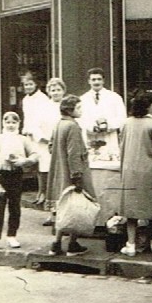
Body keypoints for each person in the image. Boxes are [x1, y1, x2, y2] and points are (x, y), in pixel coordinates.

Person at [118, 90, 152, 257]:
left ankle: (131, 244)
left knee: (131, 210)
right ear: (147, 106)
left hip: (129, 170)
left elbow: (122, 144)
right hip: (149, 171)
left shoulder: (126, 123)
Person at [0, 111, 39, 256]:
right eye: (8, 122)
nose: (11, 125)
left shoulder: (23, 139)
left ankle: (12, 236)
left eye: (14, 122)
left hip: (15, 176)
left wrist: (24, 161)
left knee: (15, 207)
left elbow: (35, 154)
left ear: (19, 124)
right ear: (3, 123)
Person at [46, 95, 94, 257]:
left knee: (63, 208)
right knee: (76, 207)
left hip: (60, 172)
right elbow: (73, 153)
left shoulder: (59, 124)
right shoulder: (73, 126)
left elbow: (51, 146)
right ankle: (72, 244)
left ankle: (56, 243)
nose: (81, 110)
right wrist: (77, 175)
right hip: (72, 172)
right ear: (70, 110)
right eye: (78, 108)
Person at [78, 67, 127, 159]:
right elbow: (80, 119)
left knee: (109, 164)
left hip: (109, 137)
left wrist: (107, 126)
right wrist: (92, 127)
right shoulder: (82, 99)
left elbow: (122, 118)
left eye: (99, 79)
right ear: (89, 81)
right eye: (93, 79)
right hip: (91, 138)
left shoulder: (114, 97)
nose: (96, 82)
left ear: (103, 80)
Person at [20, 71, 53, 205]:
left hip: (41, 136)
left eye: (30, 84)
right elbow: (27, 118)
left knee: (44, 165)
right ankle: (40, 191)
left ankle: (45, 193)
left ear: (36, 84)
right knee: (36, 165)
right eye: (26, 85)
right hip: (30, 135)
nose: (28, 87)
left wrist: (40, 134)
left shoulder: (43, 99)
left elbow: (43, 120)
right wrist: (26, 131)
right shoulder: (26, 99)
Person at [37, 77, 67, 225]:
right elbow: (35, 126)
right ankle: (51, 214)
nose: (56, 93)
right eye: (53, 90)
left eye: (58, 89)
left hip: (62, 146)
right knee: (49, 179)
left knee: (62, 179)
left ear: (63, 90)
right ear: (48, 92)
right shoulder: (43, 106)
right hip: (47, 146)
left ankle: (62, 214)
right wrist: (45, 138)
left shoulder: (67, 106)